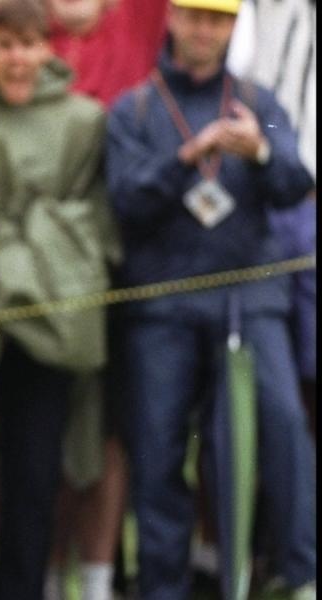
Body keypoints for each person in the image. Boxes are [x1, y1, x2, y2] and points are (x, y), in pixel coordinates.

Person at [106, 0, 317, 596]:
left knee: (279, 435)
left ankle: (294, 575)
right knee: (159, 455)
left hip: (251, 302)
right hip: (161, 311)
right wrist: (185, 161)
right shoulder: (135, 107)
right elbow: (126, 203)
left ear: (232, 27)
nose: (205, 31)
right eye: (195, 17)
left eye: (218, 20)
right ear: (172, 18)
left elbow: (296, 185)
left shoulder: (260, 102)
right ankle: (161, 587)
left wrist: (262, 152)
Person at [0, 2, 119, 597]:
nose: (17, 59)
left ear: (47, 49)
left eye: (29, 45)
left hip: (51, 316)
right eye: (3, 45)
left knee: (36, 472)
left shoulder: (84, 120)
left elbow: (92, 220)